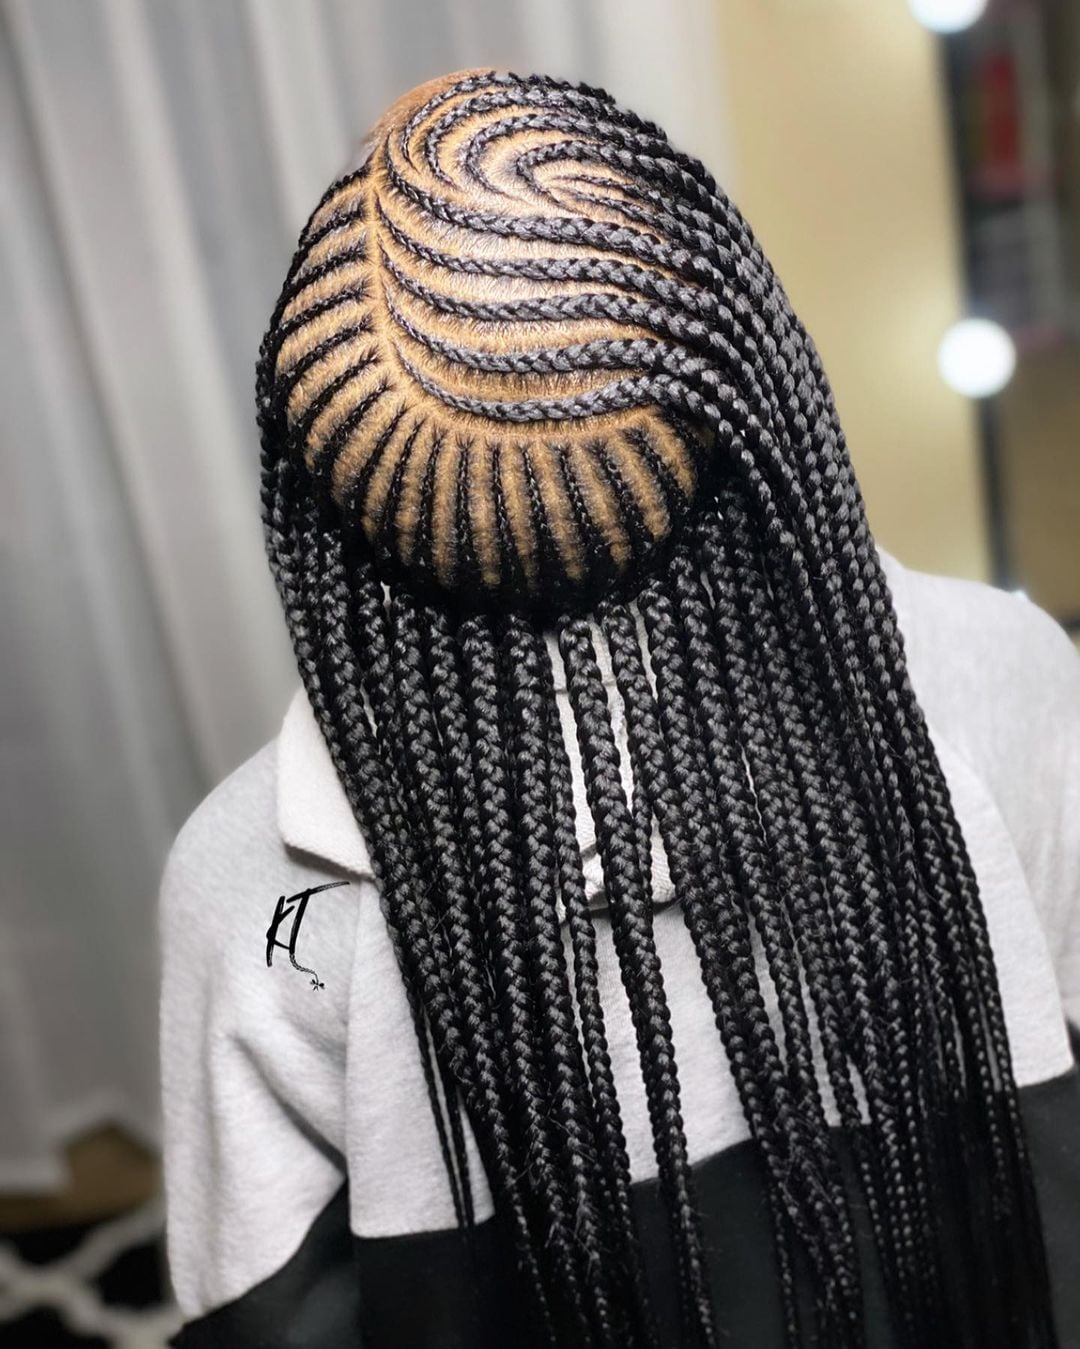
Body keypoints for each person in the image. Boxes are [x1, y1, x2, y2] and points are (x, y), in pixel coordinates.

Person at [159, 69, 1080, 1348]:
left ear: (322, 500)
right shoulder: (997, 678)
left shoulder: (263, 896)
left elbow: (259, 1314)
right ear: (754, 373)